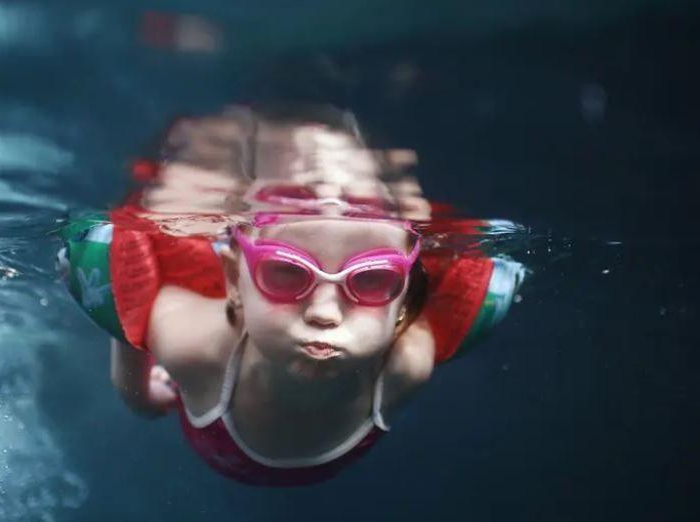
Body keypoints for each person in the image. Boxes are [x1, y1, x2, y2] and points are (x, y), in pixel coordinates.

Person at [57, 106, 525, 486]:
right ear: (234, 282)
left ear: (403, 300)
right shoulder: (198, 349)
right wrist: (142, 394)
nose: (325, 313)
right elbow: (129, 336)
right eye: (285, 273)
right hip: (215, 426)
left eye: (372, 280)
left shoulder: (407, 364)